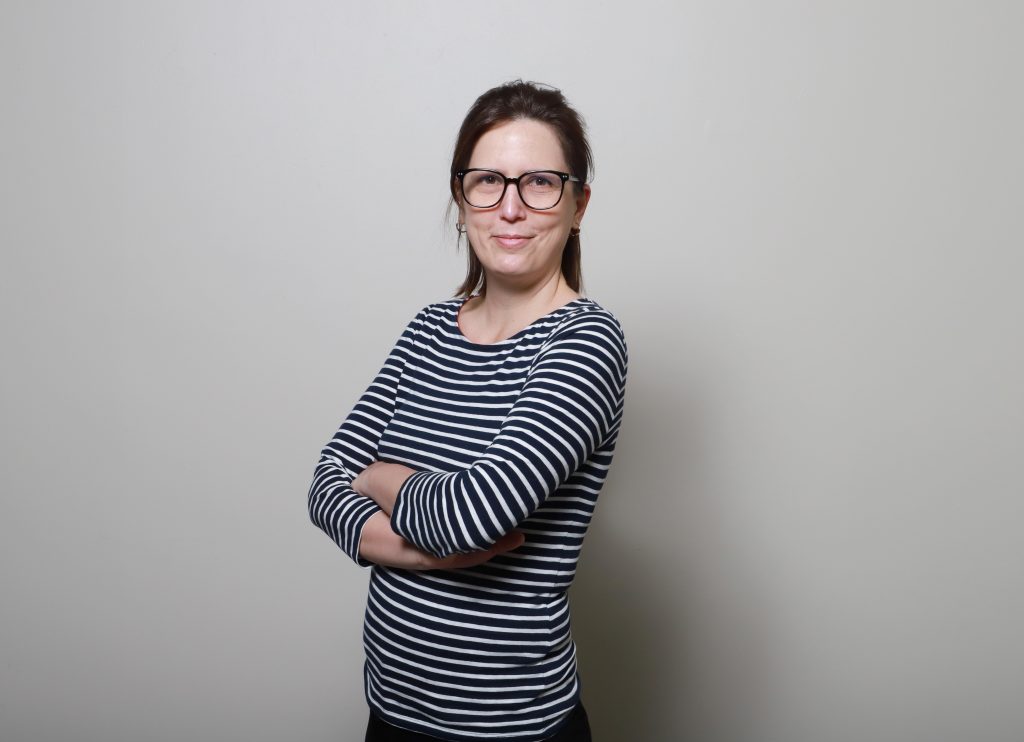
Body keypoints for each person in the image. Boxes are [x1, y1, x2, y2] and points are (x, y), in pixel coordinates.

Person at [308, 80, 628, 742]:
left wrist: (378, 478)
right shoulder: (428, 329)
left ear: (578, 205)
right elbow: (323, 484)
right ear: (462, 200)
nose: (510, 208)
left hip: (511, 728)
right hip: (391, 713)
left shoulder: (585, 341)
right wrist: (427, 554)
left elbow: (467, 517)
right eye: (487, 182)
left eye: (539, 183)